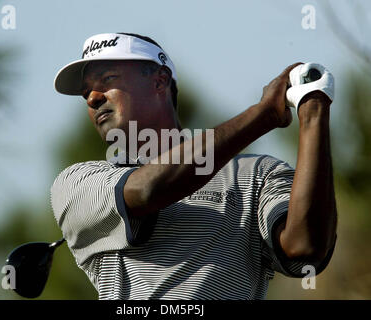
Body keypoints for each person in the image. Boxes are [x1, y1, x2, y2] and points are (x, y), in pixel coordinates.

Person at [50, 32, 337, 299]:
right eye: (86, 92)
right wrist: (263, 115)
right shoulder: (76, 182)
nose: (92, 98)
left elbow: (304, 248)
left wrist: (313, 113)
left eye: (108, 78)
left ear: (159, 81)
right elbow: (148, 189)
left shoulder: (258, 174)